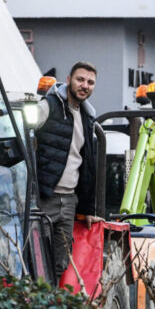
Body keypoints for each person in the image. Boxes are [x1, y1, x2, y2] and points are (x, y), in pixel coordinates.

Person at [35, 60, 101, 278]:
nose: (85, 85)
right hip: (45, 197)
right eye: (80, 79)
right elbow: (23, 135)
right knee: (38, 260)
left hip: (69, 200)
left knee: (60, 262)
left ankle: (53, 308)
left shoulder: (87, 117)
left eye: (90, 82)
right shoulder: (49, 106)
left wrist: (88, 208)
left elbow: (87, 166)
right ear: (69, 80)